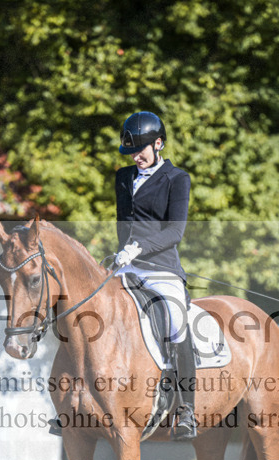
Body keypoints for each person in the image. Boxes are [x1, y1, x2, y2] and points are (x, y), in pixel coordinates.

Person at [114, 111, 197, 440]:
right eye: (132, 152)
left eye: (142, 150)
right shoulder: (122, 177)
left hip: (162, 267)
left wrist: (139, 248)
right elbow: (124, 224)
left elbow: (175, 232)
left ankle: (186, 408)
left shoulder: (177, 179)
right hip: (127, 265)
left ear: (158, 143)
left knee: (176, 321)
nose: (137, 157)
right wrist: (122, 256)